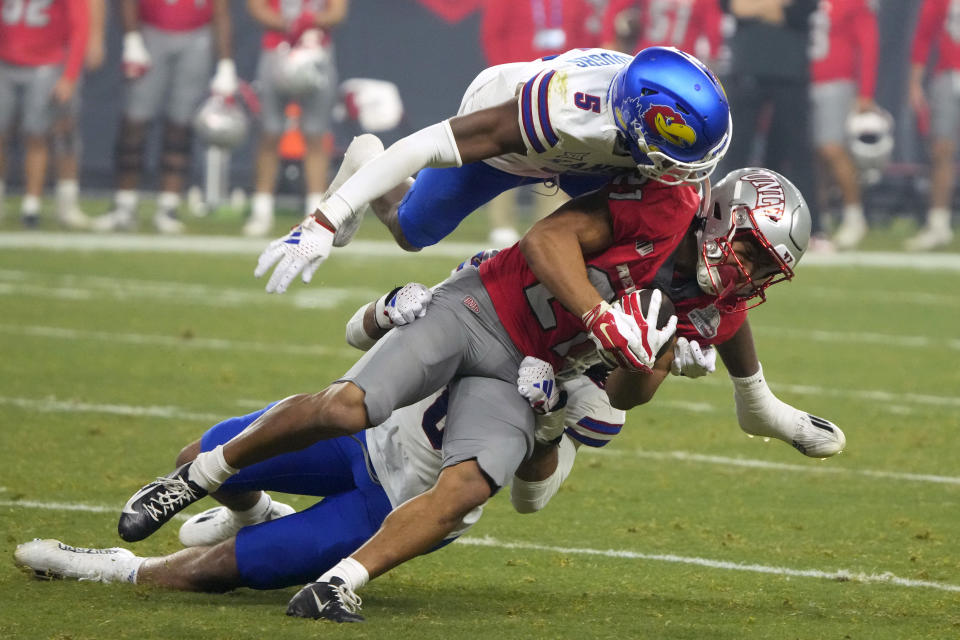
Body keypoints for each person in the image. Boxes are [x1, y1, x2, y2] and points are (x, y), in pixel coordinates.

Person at [112, 167, 844, 622]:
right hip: (467, 331)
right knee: (331, 408)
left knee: (471, 488)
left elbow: (602, 421)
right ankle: (207, 484)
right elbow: (542, 243)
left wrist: (645, 361)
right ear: (721, 219)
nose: (748, 274)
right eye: (749, 250)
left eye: (764, 268)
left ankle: (336, 581)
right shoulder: (655, 213)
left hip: (509, 393)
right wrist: (597, 313)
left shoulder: (709, 313)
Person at [14, 285, 629, 617]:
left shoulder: (596, 389)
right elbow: (358, 333)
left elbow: (532, 498)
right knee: (197, 457)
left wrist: (546, 426)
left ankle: (101, 565)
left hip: (401, 501)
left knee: (214, 572)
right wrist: (385, 309)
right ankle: (253, 512)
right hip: (359, 437)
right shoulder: (502, 288)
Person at [252, 45, 732, 294]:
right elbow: (426, 144)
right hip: (515, 140)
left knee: (652, 215)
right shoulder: (555, 114)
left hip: (596, 149)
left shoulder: (643, 98)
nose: (688, 170)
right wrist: (325, 218)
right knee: (411, 231)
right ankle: (364, 163)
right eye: (677, 154)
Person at [91, 0, 236, 234]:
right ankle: (124, 204)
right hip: (151, 32)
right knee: (135, 121)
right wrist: (132, 38)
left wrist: (226, 63)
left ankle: (168, 206)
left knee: (181, 125)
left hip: (196, 35)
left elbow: (221, 12)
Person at [480, 0, 598, 246]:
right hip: (517, 81)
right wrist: (503, 76)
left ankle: (550, 217)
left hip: (560, 84)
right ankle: (502, 223)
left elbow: (585, 37)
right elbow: (493, 34)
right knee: (505, 148)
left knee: (557, 149)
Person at [717, 1, 827, 248]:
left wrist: (757, 7)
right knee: (735, 152)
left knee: (798, 152)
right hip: (747, 63)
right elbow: (733, 7)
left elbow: (800, 10)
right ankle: (720, 222)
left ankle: (812, 229)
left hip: (790, 68)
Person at [242, 0, 349, 238]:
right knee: (270, 133)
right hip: (276, 49)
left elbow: (338, 12)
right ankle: (262, 210)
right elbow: (257, 8)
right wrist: (291, 22)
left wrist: (309, 21)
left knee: (316, 135)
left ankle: (315, 214)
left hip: (316, 51)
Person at [0, 0, 89, 227]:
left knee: (37, 135)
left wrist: (69, 75)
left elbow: (80, 26)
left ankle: (32, 204)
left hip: (45, 63)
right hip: (4, 61)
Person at [808, 0, 878, 251]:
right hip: (803, 80)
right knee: (812, 156)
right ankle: (819, 216)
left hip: (836, 79)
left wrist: (866, 91)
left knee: (832, 148)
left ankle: (854, 215)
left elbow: (868, 42)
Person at [50, 0, 107, 231]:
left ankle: (67, 202)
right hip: (17, 40)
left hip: (64, 46)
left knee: (66, 126)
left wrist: (95, 36)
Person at [906, 0, 958, 251]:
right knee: (941, 150)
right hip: (948, 73)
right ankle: (939, 222)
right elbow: (924, 34)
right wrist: (915, 81)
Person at [600, 0, 724, 67]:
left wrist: (608, 40)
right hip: (683, 62)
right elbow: (713, 29)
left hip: (645, 56)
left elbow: (614, 9)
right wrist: (714, 55)